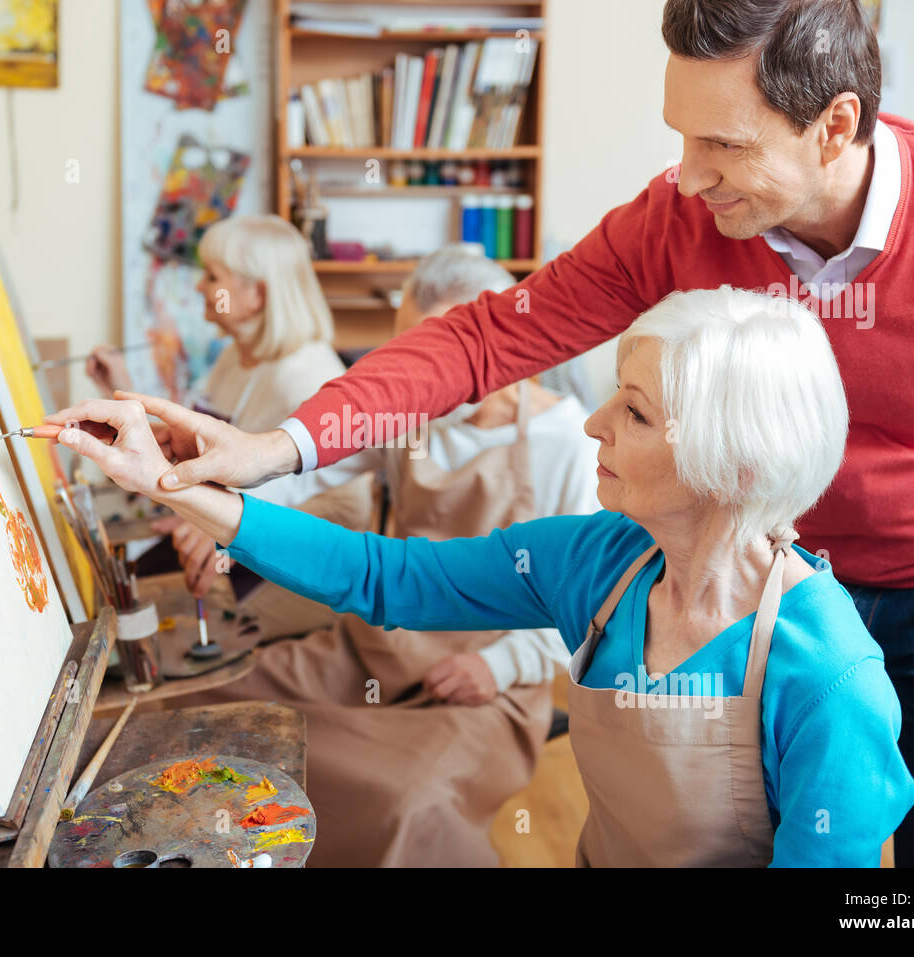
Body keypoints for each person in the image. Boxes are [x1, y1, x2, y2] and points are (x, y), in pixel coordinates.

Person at [119, 0, 914, 868]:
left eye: (724, 145)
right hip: (756, 561)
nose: (689, 174)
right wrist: (275, 450)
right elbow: (489, 335)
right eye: (681, 135)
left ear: (835, 125)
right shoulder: (679, 222)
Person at [48, 286, 914, 866]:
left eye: (637, 411)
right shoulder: (602, 562)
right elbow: (385, 576)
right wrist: (185, 484)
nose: (595, 425)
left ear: (732, 464)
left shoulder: (831, 678)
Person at [149, 248, 599, 866]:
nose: (423, 376)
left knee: (406, 803)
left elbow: (588, 601)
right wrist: (219, 512)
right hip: (375, 648)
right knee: (201, 708)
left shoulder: (571, 442)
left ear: (496, 336)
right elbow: (300, 473)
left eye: (437, 354)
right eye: (411, 355)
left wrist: (503, 664)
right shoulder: (410, 414)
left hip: (486, 681)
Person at [90, 213, 375, 636]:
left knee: (133, 617)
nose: (199, 286)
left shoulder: (305, 376)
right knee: (109, 591)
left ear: (256, 295)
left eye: (212, 276)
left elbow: (346, 507)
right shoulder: (235, 357)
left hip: (281, 561)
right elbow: (192, 453)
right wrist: (122, 389)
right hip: (222, 532)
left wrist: (230, 526)